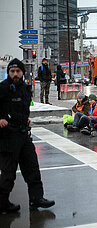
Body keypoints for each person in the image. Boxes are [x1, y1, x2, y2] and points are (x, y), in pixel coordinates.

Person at [0, 58, 55, 213]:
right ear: (8, 73)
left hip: (24, 133)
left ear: (23, 72)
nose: (15, 74)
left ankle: (36, 199)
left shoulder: (25, 88)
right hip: (8, 136)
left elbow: (23, 108)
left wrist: (26, 119)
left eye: (18, 71)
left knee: (32, 168)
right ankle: (2, 203)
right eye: (12, 71)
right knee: (8, 172)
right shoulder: (2, 88)